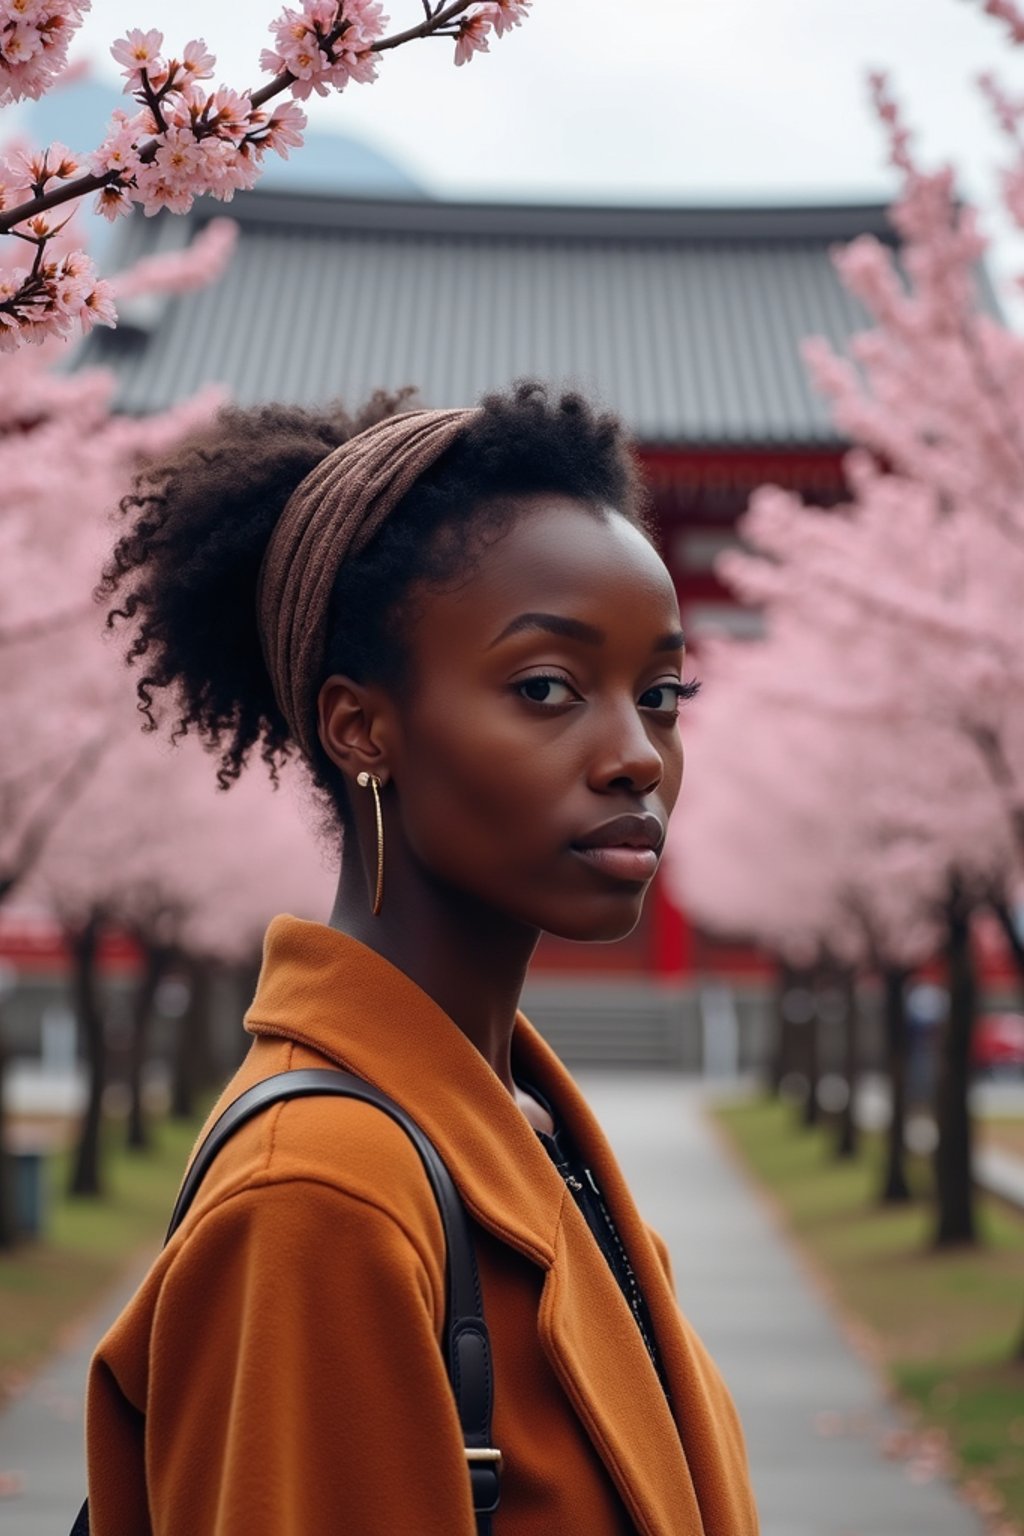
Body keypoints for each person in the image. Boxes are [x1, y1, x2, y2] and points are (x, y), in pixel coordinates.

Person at [86, 382, 759, 1535]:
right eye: (546, 687)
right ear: (361, 727)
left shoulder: (515, 1123)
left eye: (660, 694)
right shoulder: (321, 1195)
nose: (636, 756)